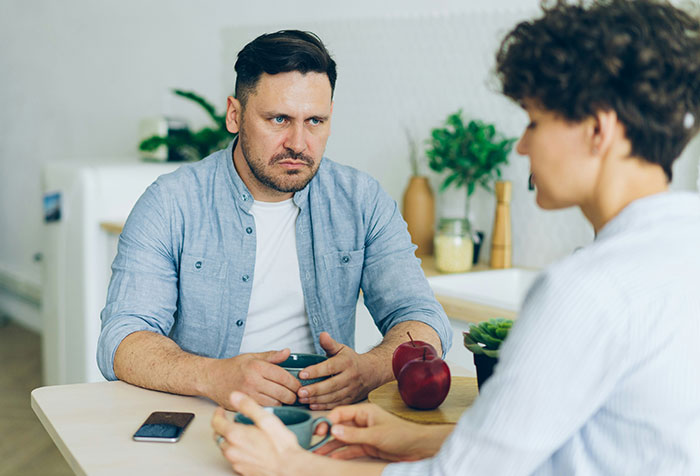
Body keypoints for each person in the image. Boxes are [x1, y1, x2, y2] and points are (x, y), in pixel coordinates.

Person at [211, 1, 700, 474]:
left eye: (535, 121)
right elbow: (580, 440)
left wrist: (292, 467)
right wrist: (418, 438)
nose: (523, 144)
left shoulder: (588, 289)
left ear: (598, 130)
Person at [97, 30, 452, 410]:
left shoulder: (362, 200)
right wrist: (213, 376)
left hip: (324, 423)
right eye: (279, 119)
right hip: (208, 415)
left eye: (315, 121)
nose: (298, 143)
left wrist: (372, 368)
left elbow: (422, 318)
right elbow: (122, 338)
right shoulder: (170, 203)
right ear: (235, 115)